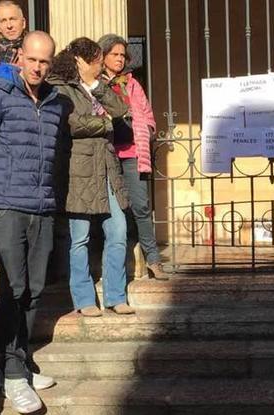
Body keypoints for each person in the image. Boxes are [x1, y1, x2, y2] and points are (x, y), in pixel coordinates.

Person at [0, 31, 69, 415]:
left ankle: (17, 362)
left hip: (40, 205)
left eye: (45, 62)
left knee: (35, 289)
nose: (38, 68)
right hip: (4, 205)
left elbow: (59, 158)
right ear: (20, 56)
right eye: (33, 59)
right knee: (12, 287)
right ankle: (11, 371)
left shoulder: (56, 102)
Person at [48, 37, 133, 317]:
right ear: (80, 61)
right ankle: (84, 299)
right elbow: (70, 123)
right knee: (79, 238)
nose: (100, 66)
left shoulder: (99, 85)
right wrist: (104, 123)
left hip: (107, 167)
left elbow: (121, 110)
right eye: (96, 61)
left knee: (118, 230)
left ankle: (115, 295)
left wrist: (97, 85)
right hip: (79, 171)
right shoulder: (60, 87)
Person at [97, 33, 168, 280]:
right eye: (114, 54)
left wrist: (145, 130)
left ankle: (153, 259)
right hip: (106, 154)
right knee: (111, 209)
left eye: (122, 55)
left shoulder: (132, 83)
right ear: (103, 56)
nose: (119, 59)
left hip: (132, 152)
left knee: (140, 205)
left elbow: (147, 113)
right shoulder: (95, 83)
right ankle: (115, 263)